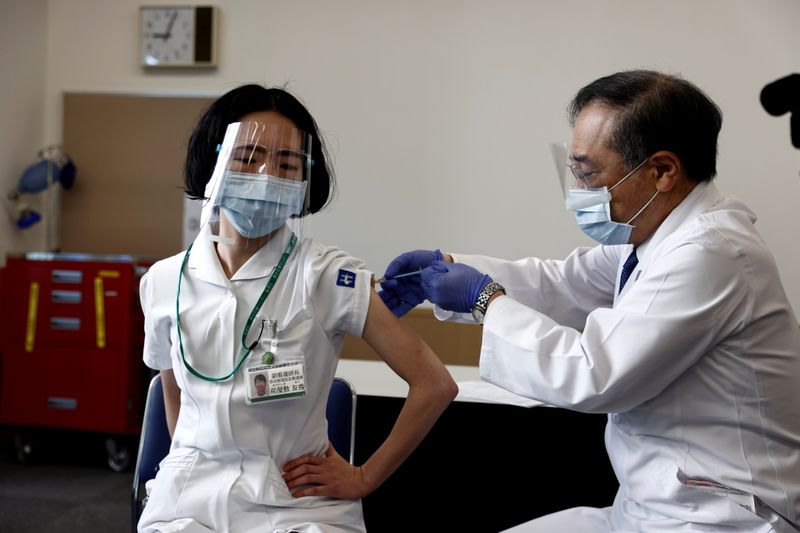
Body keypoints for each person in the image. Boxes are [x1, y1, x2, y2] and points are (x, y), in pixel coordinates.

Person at [379, 70, 800, 532]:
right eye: (575, 172)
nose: (580, 192)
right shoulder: (655, 237)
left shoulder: (710, 251)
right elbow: (562, 283)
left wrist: (483, 298)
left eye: (590, 174)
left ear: (661, 171)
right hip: (652, 510)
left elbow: (594, 374)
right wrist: (450, 266)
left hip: (721, 519)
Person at [138, 84, 457, 533]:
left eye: (287, 164)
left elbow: (435, 384)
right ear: (214, 163)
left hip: (296, 504)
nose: (267, 175)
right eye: (248, 157)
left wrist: (364, 476)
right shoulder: (164, 281)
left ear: (304, 181)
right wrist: (189, 460)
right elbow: (172, 390)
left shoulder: (329, 275)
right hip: (188, 500)